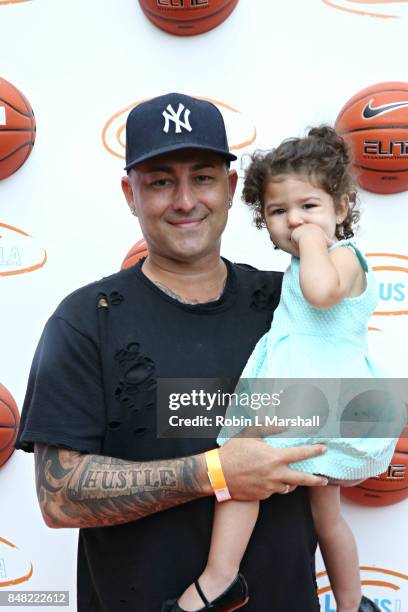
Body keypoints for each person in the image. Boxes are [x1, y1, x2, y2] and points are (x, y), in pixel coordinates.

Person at [15, 93, 330, 612]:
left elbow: (354, 435)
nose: (185, 201)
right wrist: (216, 470)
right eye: (161, 181)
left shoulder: (290, 304)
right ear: (129, 193)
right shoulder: (87, 318)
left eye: (202, 177)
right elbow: (59, 495)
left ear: (230, 188)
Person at [173, 126, 401, 612]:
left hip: (318, 394)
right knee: (325, 517)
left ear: (342, 208)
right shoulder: (306, 263)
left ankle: (219, 578)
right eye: (278, 212)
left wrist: (314, 241)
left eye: (309, 207)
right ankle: (351, 604)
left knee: (238, 472)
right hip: (308, 392)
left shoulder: (342, 258)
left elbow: (322, 293)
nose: (294, 221)